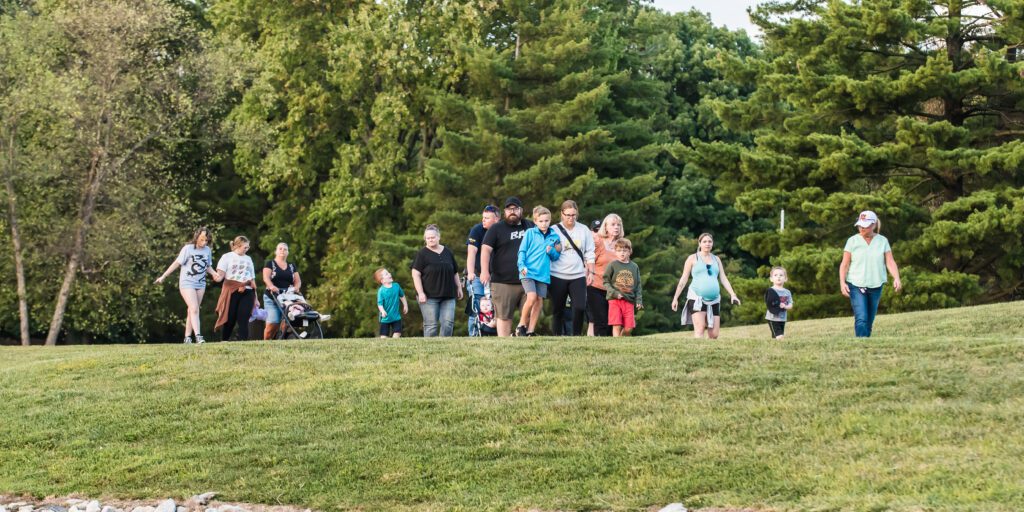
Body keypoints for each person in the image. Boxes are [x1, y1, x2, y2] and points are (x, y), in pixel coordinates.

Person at [839, 210, 902, 337]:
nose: (861, 228)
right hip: (856, 284)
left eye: (865, 225)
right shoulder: (852, 241)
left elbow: (890, 262)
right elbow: (844, 264)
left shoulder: (882, 241)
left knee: (869, 320)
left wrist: (896, 278)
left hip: (876, 285)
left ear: (873, 225)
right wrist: (842, 282)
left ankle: (865, 345)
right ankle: (861, 344)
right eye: (860, 225)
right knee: (861, 318)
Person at [671, 233, 741, 339]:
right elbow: (683, 279)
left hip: (714, 299)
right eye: (704, 241)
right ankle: (698, 353)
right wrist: (676, 298)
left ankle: (712, 353)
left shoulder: (716, 259)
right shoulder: (692, 258)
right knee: (700, 329)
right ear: (699, 243)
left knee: (714, 334)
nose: (707, 244)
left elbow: (723, 278)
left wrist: (733, 294)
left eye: (709, 241)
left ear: (712, 244)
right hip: (696, 298)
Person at [480, 197, 534, 336]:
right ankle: (504, 346)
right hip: (502, 281)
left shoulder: (531, 226)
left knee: (527, 315)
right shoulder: (496, 228)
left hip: (527, 279)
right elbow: (485, 250)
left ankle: (524, 345)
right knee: (503, 316)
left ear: (521, 210)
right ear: (505, 211)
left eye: (515, 209)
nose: (512, 212)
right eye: (509, 209)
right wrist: (484, 271)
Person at [155, 227, 217, 344]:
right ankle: (198, 336)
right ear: (197, 237)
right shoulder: (187, 249)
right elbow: (176, 263)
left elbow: (208, 266)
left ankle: (187, 337)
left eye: (207, 240)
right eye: (202, 239)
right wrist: (164, 276)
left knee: (192, 310)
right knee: (194, 308)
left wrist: (215, 274)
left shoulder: (207, 250)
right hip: (187, 283)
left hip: (201, 283)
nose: (204, 242)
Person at [548, 200, 596, 336]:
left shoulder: (584, 230)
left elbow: (590, 252)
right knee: (558, 309)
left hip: (578, 275)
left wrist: (591, 272)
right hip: (557, 274)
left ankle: (576, 335)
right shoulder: (554, 230)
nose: (571, 218)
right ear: (562, 214)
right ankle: (556, 336)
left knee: (579, 307)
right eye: (568, 215)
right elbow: (548, 250)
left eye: (573, 215)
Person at [516, 206, 561, 336]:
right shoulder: (530, 233)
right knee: (531, 297)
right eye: (541, 221)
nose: (544, 223)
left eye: (546, 221)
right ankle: (521, 325)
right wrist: (521, 266)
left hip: (543, 274)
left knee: (539, 301)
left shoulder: (554, 236)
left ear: (550, 220)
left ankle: (530, 330)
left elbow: (556, 256)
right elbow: (522, 251)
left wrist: (551, 251)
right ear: (535, 221)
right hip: (528, 271)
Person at [411, 224, 463, 337]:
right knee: (431, 326)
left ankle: (444, 348)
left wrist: (459, 287)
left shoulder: (447, 252)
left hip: (448, 295)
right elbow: (415, 274)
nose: (430, 239)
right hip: (428, 296)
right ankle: (430, 350)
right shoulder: (422, 254)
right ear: (425, 239)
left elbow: (454, 271)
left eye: (433, 237)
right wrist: (420, 293)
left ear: (438, 237)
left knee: (448, 323)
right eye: (428, 238)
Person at [214, 235, 260, 341]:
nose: (247, 249)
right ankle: (224, 340)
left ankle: (243, 341)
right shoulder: (227, 257)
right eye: (245, 247)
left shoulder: (248, 258)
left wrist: (256, 298)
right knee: (230, 318)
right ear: (238, 246)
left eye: (248, 247)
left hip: (248, 290)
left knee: (244, 317)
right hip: (232, 290)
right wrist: (216, 276)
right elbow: (220, 275)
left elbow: (252, 279)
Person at [466, 204, 500, 335]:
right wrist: (470, 273)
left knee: (496, 306)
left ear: (496, 219)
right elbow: (472, 252)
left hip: (496, 277)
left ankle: (495, 334)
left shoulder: (502, 230)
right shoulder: (477, 230)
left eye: (487, 218)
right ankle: (474, 335)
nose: (483, 220)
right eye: (483, 217)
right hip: (477, 274)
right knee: (476, 306)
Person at [588, 214, 624, 336]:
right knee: (600, 320)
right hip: (596, 286)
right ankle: (600, 348)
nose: (616, 227)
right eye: (613, 225)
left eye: (618, 225)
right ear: (606, 227)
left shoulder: (622, 245)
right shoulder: (598, 242)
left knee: (613, 321)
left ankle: (611, 350)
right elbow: (589, 261)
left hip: (614, 289)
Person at [261, 242, 301, 340]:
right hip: (272, 297)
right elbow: (266, 278)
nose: (282, 251)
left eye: (285, 249)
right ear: (276, 251)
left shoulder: (292, 266)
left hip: (287, 298)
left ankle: (281, 341)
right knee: (273, 322)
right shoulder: (270, 263)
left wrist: (296, 288)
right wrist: (271, 286)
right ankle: (265, 343)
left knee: (287, 322)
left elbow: (298, 281)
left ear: (288, 252)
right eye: (280, 249)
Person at [603, 238, 642, 337]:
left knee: (629, 328)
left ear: (630, 252)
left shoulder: (634, 267)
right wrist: (615, 293)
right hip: (614, 300)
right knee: (616, 324)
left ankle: (620, 339)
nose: (622, 253)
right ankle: (617, 344)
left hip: (629, 300)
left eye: (625, 251)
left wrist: (639, 301)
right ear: (615, 252)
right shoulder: (612, 265)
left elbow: (638, 285)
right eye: (619, 251)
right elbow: (606, 282)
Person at [375, 267, 409, 338]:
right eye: (386, 274)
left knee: (397, 333)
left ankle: (394, 344)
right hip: (385, 318)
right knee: (384, 336)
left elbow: (402, 296)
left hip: (396, 317)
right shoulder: (381, 291)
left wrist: (405, 305)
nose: (389, 274)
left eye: (389, 272)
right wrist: (382, 311)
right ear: (382, 281)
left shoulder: (396, 286)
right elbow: (380, 304)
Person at [764, 266, 793, 340]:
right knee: (779, 336)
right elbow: (768, 303)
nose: (778, 277)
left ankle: (775, 348)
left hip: (782, 318)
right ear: (771, 279)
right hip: (772, 317)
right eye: (775, 275)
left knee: (777, 336)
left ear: (785, 279)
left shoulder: (787, 292)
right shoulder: (771, 291)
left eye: (781, 275)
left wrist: (785, 306)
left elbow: (790, 305)